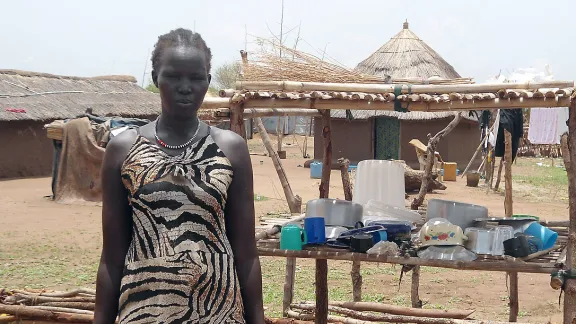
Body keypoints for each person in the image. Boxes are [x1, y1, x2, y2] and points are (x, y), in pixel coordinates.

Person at [94, 28, 265, 324]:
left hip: (216, 310)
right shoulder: (123, 149)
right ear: (155, 78)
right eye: (173, 76)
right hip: (144, 310)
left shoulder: (231, 149)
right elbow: (111, 258)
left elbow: (246, 255)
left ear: (208, 82)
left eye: (196, 78)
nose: (185, 87)